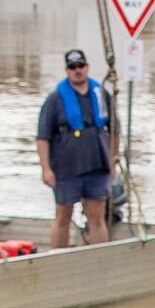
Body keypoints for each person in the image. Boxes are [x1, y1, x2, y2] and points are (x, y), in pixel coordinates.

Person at [39, 44, 120, 245]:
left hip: (97, 164)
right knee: (63, 216)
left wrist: (114, 158)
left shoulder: (101, 94)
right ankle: (58, 259)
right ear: (67, 71)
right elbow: (42, 137)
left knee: (96, 216)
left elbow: (115, 130)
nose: (77, 70)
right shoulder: (55, 99)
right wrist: (46, 169)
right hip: (67, 168)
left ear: (87, 67)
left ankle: (99, 261)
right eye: (73, 67)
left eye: (81, 66)